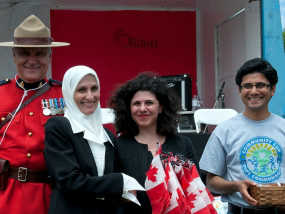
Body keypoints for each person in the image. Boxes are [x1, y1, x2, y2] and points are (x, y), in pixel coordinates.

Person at [44, 65, 143, 214]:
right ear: (69, 93)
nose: (90, 96)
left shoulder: (107, 135)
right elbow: (69, 181)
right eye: (82, 90)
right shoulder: (59, 127)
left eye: (94, 88)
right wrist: (119, 182)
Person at [0, 15, 69, 214]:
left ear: (50, 56)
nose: (32, 60)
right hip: (5, 197)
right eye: (24, 53)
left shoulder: (64, 95)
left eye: (39, 53)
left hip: (50, 197)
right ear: (14, 56)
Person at [199, 58, 285, 214]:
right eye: (247, 86)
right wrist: (236, 186)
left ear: (273, 89)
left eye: (260, 85)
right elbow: (210, 182)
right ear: (240, 90)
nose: (253, 91)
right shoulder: (224, 130)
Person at [110, 72, 198, 213]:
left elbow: (195, 189)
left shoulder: (182, 144)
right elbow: (113, 194)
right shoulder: (118, 146)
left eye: (149, 103)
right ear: (128, 109)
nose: (142, 108)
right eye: (136, 104)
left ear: (161, 107)